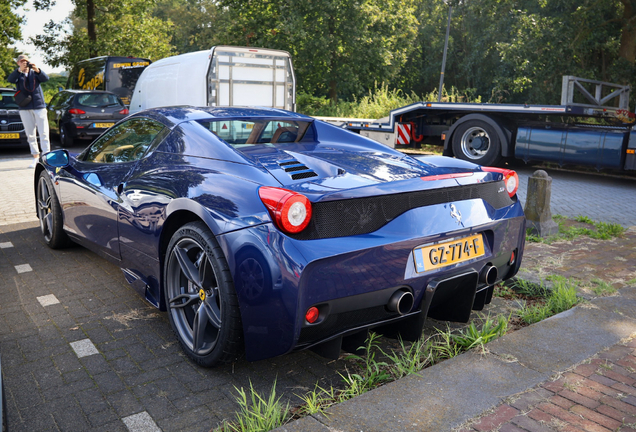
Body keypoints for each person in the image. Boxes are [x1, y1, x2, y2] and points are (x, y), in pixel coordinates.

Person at [7, 54, 51, 168]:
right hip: (25, 107)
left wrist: (37, 70)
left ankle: (46, 157)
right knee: (30, 134)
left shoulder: (34, 72)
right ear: (18, 63)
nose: (24, 63)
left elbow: (46, 78)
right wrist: (19, 70)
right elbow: (10, 79)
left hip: (39, 106)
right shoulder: (18, 75)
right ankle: (35, 157)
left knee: (44, 133)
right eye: (22, 62)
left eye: (25, 61)